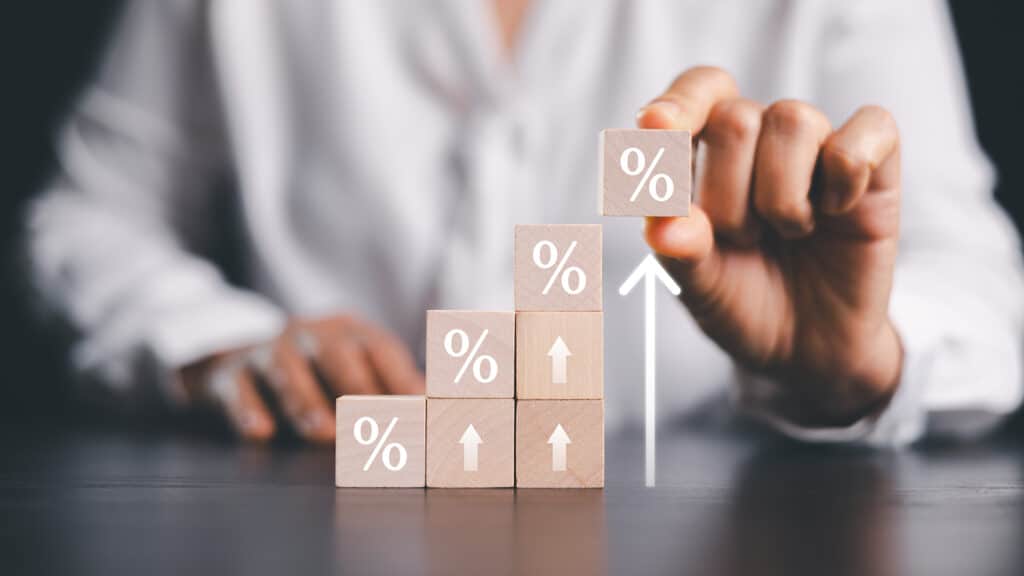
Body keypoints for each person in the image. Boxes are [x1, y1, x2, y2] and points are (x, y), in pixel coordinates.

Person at [26, 0, 1024, 445]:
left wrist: (858, 360)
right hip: (324, 510)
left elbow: (982, 289)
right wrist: (216, 342)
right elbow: (90, 214)